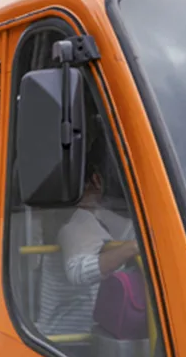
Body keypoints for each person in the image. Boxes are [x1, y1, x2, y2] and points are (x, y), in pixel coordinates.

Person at [36, 141, 139, 336]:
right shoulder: (76, 221)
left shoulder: (98, 216)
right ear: (97, 180)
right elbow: (78, 271)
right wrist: (133, 248)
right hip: (69, 339)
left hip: (80, 332)